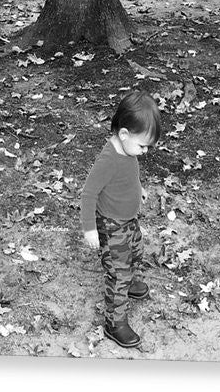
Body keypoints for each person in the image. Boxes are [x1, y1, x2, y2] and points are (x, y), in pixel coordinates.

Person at [80, 89, 161, 348]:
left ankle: (130, 280)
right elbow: (88, 193)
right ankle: (115, 323)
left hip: (129, 219)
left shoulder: (129, 151)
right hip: (111, 225)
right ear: (124, 134)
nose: (145, 151)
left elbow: (129, 176)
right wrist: (89, 229)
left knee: (136, 251)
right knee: (118, 273)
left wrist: (139, 189)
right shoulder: (108, 160)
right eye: (143, 145)